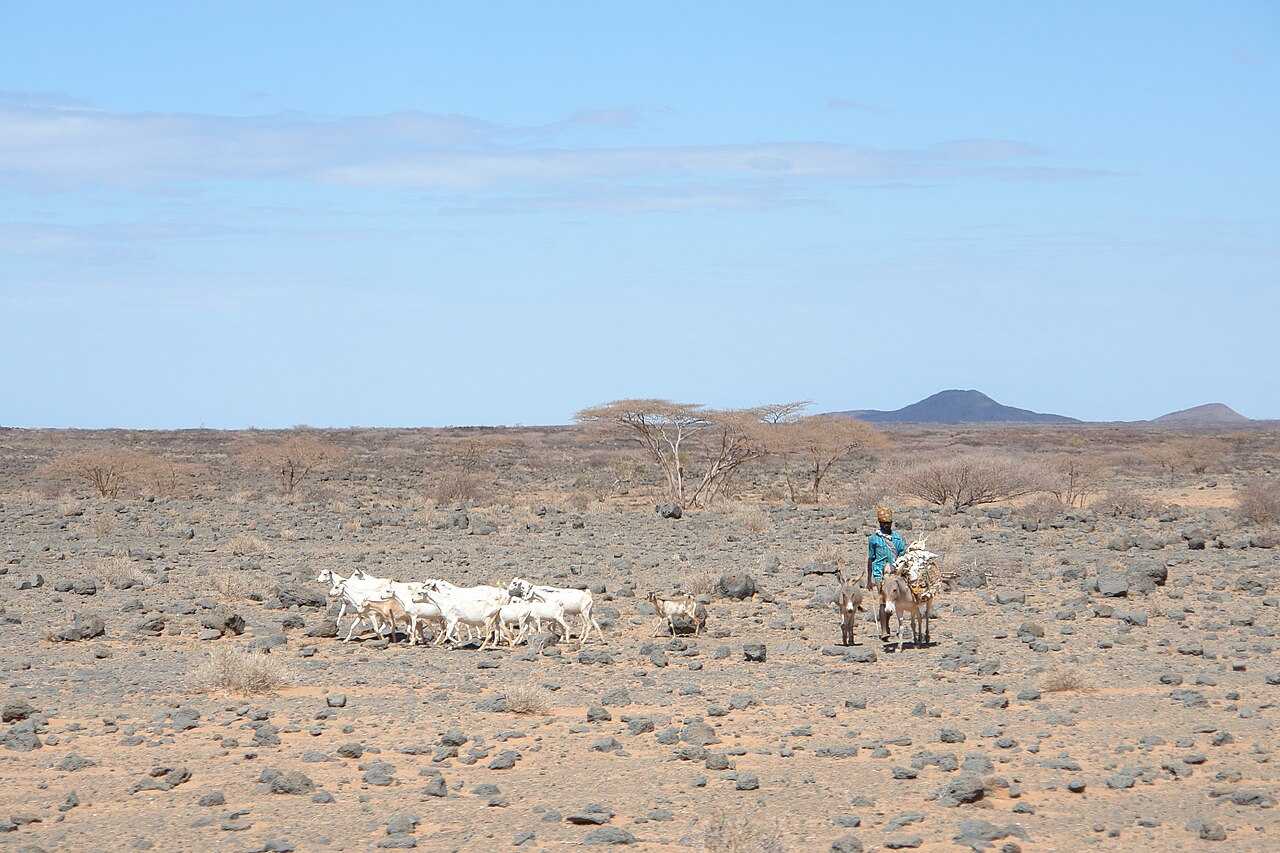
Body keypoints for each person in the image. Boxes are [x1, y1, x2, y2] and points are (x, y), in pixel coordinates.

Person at [867, 505, 907, 640]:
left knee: (892, 600)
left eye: (888, 523)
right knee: (883, 600)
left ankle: (887, 624)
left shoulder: (897, 538)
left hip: (895, 573)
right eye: (883, 523)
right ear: (879, 523)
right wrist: (869, 579)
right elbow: (870, 558)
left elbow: (903, 555)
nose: (886, 525)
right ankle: (884, 630)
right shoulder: (874, 539)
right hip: (879, 573)